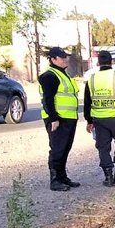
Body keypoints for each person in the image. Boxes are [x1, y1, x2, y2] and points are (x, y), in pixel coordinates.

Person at [84, 50, 115, 187]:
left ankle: (108, 177)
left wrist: (89, 121)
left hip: (99, 120)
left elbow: (87, 102)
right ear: (111, 62)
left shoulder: (92, 79)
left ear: (98, 63)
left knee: (103, 148)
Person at [39, 47, 80, 191]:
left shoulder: (63, 75)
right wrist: (54, 119)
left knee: (65, 149)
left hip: (68, 118)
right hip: (58, 119)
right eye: (62, 57)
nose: (65, 59)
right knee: (57, 149)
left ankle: (62, 177)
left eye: (65, 57)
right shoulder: (49, 76)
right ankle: (55, 180)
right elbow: (48, 100)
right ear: (53, 59)